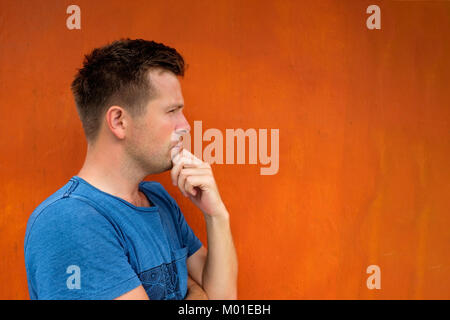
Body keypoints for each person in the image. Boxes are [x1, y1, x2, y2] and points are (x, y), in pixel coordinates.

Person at [24, 38, 238, 300]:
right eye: (171, 111)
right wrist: (195, 292)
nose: (185, 126)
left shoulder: (159, 200)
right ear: (119, 121)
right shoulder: (68, 221)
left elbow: (224, 300)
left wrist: (216, 215)